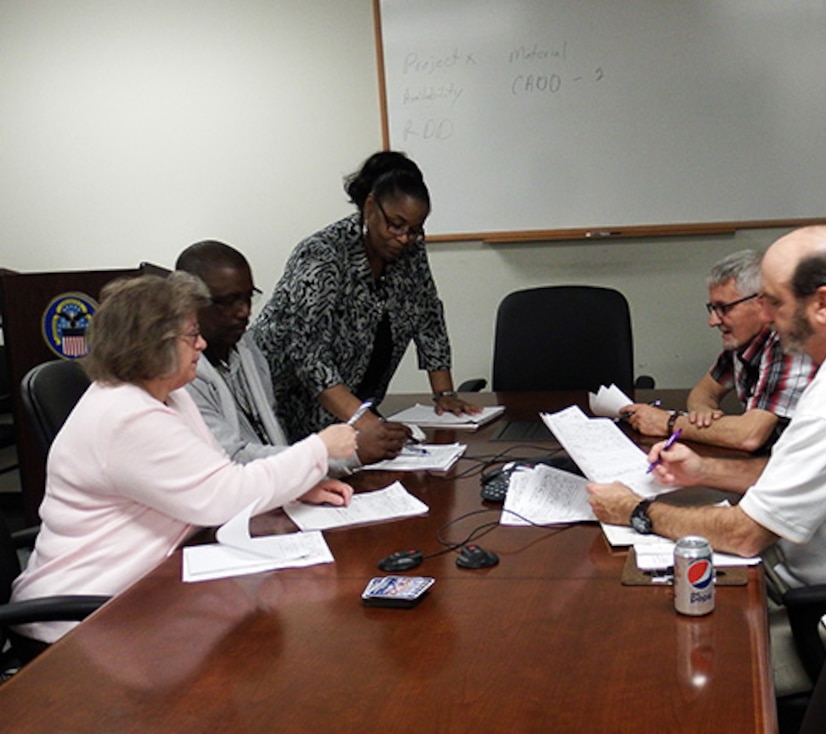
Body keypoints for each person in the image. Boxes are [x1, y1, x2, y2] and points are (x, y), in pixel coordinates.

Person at [588, 224, 826, 600]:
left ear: (822, 304)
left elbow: (744, 534)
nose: (766, 317)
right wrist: (705, 470)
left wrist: (635, 510)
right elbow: (797, 469)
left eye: (775, 302)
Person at [10, 272, 358, 652]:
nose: (202, 343)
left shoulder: (169, 396)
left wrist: (297, 486)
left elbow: (217, 476)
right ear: (152, 345)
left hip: (145, 592)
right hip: (83, 622)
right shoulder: (125, 416)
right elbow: (226, 497)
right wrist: (320, 448)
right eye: (191, 335)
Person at [252, 151, 479, 442]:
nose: (404, 238)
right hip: (285, 407)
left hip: (353, 408)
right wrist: (363, 421)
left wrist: (444, 393)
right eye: (396, 225)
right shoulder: (322, 256)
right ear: (370, 205)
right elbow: (310, 358)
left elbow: (428, 316)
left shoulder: (409, 250)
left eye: (415, 230)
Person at [175, 240, 409, 471]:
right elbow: (232, 460)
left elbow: (271, 435)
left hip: (273, 487)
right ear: (188, 303)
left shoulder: (246, 347)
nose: (244, 311)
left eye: (248, 297)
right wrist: (345, 454)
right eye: (228, 302)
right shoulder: (179, 376)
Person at [621, 250, 813, 452]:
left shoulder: (789, 344)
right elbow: (704, 391)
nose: (712, 321)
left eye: (724, 308)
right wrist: (702, 412)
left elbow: (749, 435)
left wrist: (668, 423)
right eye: (712, 309)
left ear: (761, 303)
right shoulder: (745, 342)